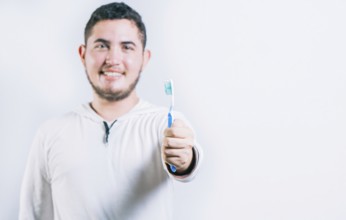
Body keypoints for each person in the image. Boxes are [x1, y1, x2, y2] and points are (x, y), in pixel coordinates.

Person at [19, 2, 202, 220]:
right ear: (82, 54)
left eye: (127, 47)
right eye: (102, 46)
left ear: (145, 59)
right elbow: (33, 214)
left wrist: (185, 159)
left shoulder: (165, 124)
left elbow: (187, 162)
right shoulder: (50, 133)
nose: (113, 59)